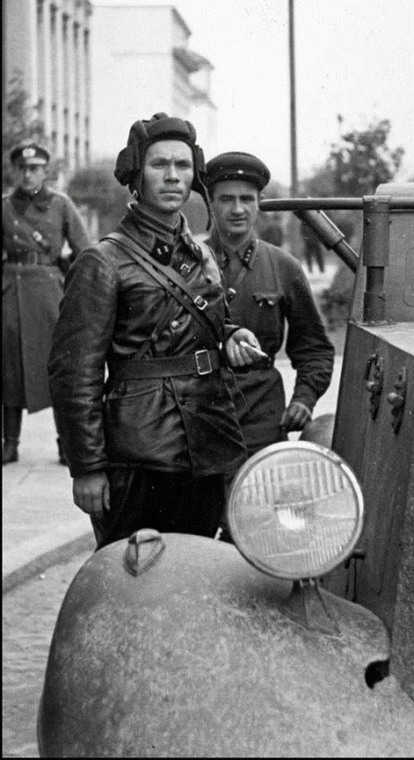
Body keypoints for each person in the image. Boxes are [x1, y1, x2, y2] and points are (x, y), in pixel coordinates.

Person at [48, 113, 264, 549]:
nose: (172, 177)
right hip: (140, 453)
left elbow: (202, 324)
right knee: (135, 582)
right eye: (159, 165)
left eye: (183, 167)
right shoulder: (103, 262)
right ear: (136, 174)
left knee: (203, 576)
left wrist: (230, 335)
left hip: (208, 444)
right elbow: (74, 373)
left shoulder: (201, 254)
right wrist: (87, 466)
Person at [205, 151, 334, 461]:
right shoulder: (187, 262)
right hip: (199, 412)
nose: (238, 209)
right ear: (211, 202)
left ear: (259, 202)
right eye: (226, 199)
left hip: (261, 415)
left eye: (247, 199)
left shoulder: (283, 267)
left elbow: (314, 348)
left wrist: (304, 399)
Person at [2, 139, 90, 466]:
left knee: (59, 370)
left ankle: (65, 443)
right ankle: (10, 444)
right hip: (11, 291)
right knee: (9, 368)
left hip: (48, 292)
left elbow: (84, 249)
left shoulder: (61, 204)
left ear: (45, 171)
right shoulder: (5, 206)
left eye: (35, 169)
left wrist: (72, 282)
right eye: (22, 169)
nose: (28, 175)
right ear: (15, 171)